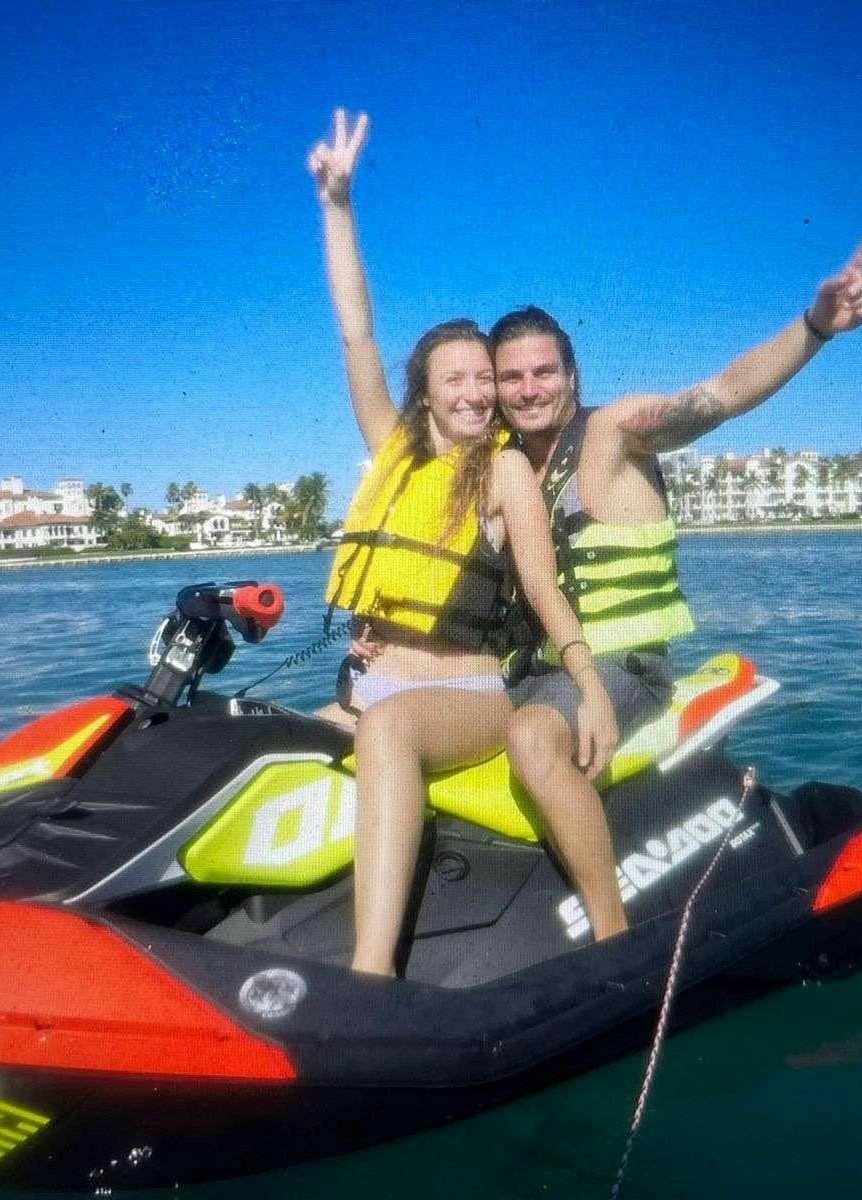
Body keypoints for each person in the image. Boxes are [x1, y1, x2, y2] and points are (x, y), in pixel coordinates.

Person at [489, 233, 862, 944]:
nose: (528, 389)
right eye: (511, 377)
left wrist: (816, 327)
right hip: (539, 673)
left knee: (531, 738)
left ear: (571, 378)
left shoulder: (610, 435)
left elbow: (719, 397)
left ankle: (613, 941)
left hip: (622, 671)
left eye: (543, 372)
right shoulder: (510, 471)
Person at [307, 109, 619, 978]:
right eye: (461, 380)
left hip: (467, 697)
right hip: (371, 683)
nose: (481, 394)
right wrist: (338, 205)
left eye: (487, 379)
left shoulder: (505, 475)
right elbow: (356, 334)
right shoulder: (392, 447)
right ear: (427, 393)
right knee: (250, 739)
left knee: (390, 730)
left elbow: (546, 591)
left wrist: (588, 687)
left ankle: (369, 978)